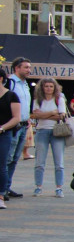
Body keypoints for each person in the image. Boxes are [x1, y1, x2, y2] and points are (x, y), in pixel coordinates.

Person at [30, 78, 69, 197]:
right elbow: (34, 115)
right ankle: (38, 186)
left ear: (54, 87)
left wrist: (42, 115)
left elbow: (61, 116)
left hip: (56, 131)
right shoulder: (38, 100)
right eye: (46, 86)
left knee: (59, 162)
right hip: (41, 131)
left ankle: (59, 188)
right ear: (42, 87)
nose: (48, 88)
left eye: (51, 86)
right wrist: (52, 112)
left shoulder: (59, 99)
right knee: (39, 162)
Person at [3, 57, 32, 200]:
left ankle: (7, 186)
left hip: (24, 124)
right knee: (7, 158)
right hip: (12, 126)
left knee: (14, 158)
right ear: (16, 68)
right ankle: (2, 189)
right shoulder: (11, 82)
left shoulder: (25, 84)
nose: (29, 70)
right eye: (25, 67)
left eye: (29, 67)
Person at [0, 67, 22, 210]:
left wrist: (2, 128)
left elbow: (16, 118)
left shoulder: (11, 96)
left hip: (4, 134)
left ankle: (1, 195)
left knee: (1, 165)